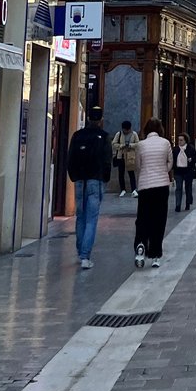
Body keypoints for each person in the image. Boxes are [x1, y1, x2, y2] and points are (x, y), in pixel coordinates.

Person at [66, 105, 112, 270]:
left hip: (80, 180)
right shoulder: (104, 136)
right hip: (95, 180)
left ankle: (80, 251)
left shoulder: (77, 136)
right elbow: (107, 161)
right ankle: (85, 255)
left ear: (87, 119)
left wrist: (74, 176)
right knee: (92, 218)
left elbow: (70, 157)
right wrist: (105, 178)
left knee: (81, 215)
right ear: (101, 120)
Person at [134, 119, 173, 268]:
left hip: (145, 186)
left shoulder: (141, 145)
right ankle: (156, 253)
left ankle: (140, 245)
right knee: (159, 219)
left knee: (143, 218)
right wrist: (163, 171)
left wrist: (144, 175)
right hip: (162, 185)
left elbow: (138, 166)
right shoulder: (165, 143)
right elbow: (170, 163)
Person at [111, 119, 139, 197]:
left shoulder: (134, 134)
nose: (126, 131)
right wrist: (121, 146)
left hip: (130, 156)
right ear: (122, 129)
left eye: (128, 130)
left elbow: (138, 143)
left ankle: (134, 190)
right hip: (121, 156)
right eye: (125, 130)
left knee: (131, 173)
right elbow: (113, 144)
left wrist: (130, 145)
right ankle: (122, 189)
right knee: (121, 173)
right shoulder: (119, 134)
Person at [174, 132, 196, 210]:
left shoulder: (190, 148)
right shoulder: (175, 149)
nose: (180, 142)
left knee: (188, 187)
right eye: (179, 140)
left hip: (188, 171)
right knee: (178, 188)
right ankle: (178, 205)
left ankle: (187, 203)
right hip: (178, 171)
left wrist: (191, 159)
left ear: (185, 141)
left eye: (181, 140)